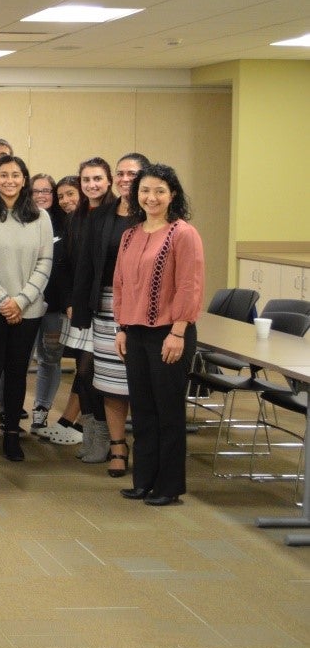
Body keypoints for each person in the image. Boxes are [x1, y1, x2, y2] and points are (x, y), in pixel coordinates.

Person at [114, 164, 204, 507]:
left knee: (168, 411)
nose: (151, 198)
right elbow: (121, 284)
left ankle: (168, 486)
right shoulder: (130, 234)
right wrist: (122, 327)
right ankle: (144, 481)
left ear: (173, 195)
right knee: (143, 409)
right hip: (135, 333)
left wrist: (178, 331)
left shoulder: (183, 233)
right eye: (145, 191)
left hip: (170, 333)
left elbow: (189, 286)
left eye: (159, 191)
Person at [0, 154, 54, 463]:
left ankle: (12, 434)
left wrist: (21, 300)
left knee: (18, 373)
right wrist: (4, 300)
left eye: (16, 175)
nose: (10, 180)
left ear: (25, 179)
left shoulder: (41, 217)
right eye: (3, 175)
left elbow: (45, 262)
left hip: (27, 310)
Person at [85, 153, 151, 474]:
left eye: (132, 173)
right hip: (107, 305)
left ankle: (146, 446)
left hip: (144, 308)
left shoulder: (154, 215)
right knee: (110, 381)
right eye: (121, 173)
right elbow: (89, 262)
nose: (126, 178)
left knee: (138, 379)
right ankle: (117, 446)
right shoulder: (103, 215)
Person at [48, 157, 114, 451]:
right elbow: (68, 265)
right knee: (84, 370)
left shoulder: (116, 214)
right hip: (82, 306)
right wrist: (70, 301)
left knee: (95, 371)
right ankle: (90, 431)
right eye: (86, 180)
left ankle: (99, 434)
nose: (92, 185)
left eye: (97, 179)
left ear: (109, 181)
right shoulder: (77, 218)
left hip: (110, 305)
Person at [29, 173, 68, 437]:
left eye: (47, 191)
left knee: (50, 359)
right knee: (17, 359)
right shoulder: (24, 221)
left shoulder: (66, 224)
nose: (41, 195)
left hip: (55, 306)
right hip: (26, 304)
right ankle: (9, 410)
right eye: (35, 191)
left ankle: (41, 410)